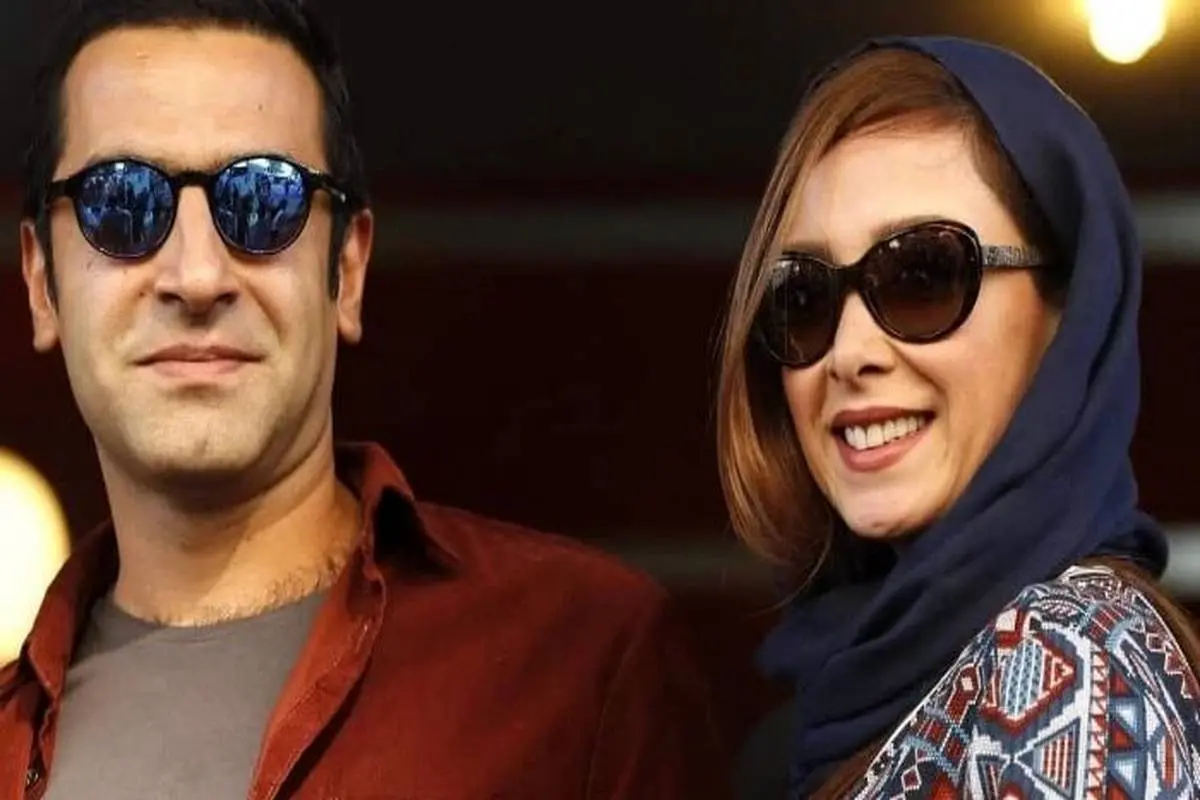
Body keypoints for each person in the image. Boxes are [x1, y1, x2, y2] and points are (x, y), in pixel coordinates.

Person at [0, 1, 728, 797]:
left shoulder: (582, 661)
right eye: (122, 204)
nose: (197, 277)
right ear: (40, 283)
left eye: (263, 201)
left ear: (347, 270)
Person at [715, 36, 1200, 798]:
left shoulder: (1067, 660)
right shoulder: (840, 695)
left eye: (922, 275)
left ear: (1069, 317)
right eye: (803, 296)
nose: (848, 353)